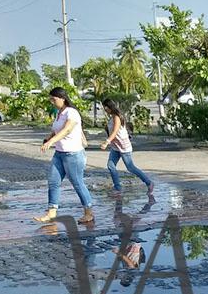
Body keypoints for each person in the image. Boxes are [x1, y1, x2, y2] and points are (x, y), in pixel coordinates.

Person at [34, 87, 95, 224]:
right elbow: (57, 130)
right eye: (51, 99)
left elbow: (67, 130)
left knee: (77, 183)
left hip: (72, 154)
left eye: (54, 99)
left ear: (62, 98)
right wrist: (48, 138)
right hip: (59, 154)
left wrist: (51, 141)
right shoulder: (59, 112)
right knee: (53, 181)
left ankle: (89, 212)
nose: (52, 102)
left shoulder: (72, 113)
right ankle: (51, 212)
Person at [99, 98, 154, 195]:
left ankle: (149, 183)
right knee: (111, 166)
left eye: (106, 107)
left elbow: (115, 132)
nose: (105, 109)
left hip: (123, 146)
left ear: (110, 107)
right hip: (115, 147)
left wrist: (106, 142)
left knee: (130, 167)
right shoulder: (112, 117)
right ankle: (117, 188)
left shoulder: (117, 117)